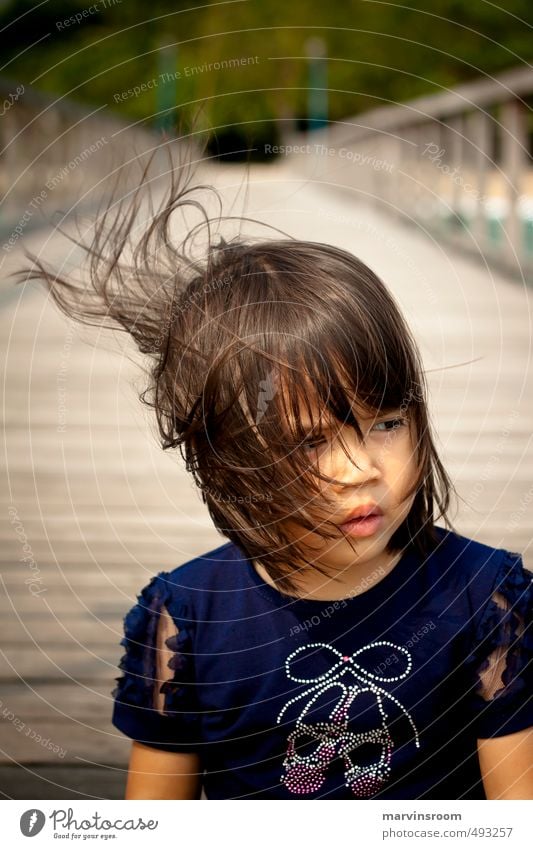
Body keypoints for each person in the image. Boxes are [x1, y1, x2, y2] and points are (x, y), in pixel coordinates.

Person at [18, 141, 532, 801]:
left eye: (385, 423)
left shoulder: (485, 598)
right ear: (230, 457)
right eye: (310, 441)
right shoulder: (189, 615)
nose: (358, 470)